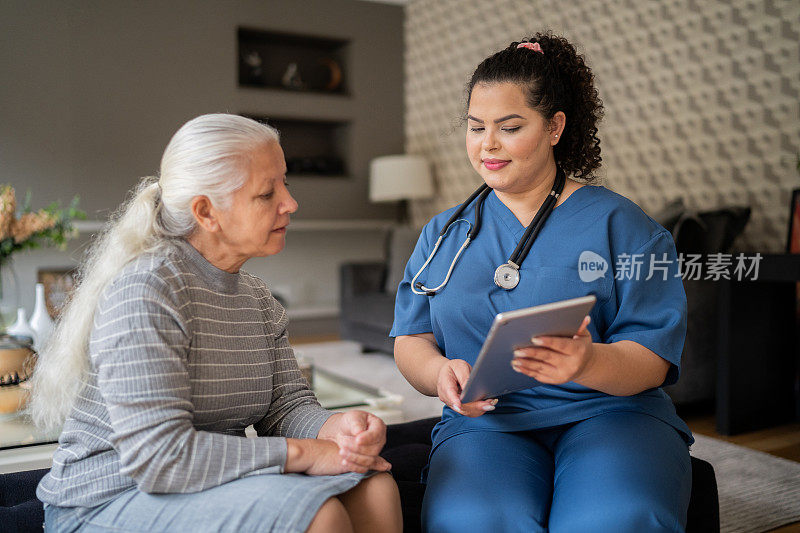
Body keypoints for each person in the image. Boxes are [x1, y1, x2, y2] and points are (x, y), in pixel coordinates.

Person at [30, 114, 402, 533]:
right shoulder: (146, 290)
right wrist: (305, 453)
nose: (290, 203)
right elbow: (160, 459)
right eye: (267, 193)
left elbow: (286, 407)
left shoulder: (257, 298)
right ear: (206, 212)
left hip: (201, 484)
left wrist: (338, 429)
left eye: (286, 183)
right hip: (109, 500)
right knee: (317, 514)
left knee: (375, 487)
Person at [391, 33, 693, 532]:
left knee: (614, 517)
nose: (487, 144)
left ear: (554, 127)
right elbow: (411, 338)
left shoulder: (625, 226)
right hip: (487, 422)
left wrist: (589, 359)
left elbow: (654, 356)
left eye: (509, 127)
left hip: (612, 413)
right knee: (473, 519)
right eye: (476, 127)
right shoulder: (443, 234)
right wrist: (439, 373)